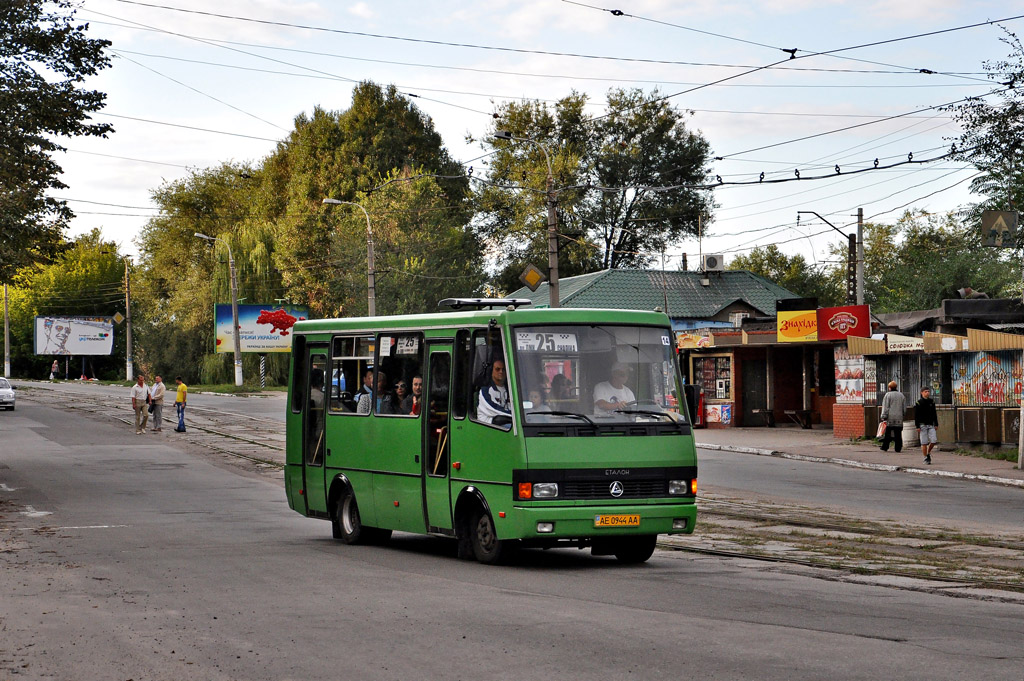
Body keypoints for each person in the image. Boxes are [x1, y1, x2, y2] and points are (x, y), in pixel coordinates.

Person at [477, 359, 511, 426]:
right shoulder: (485, 391)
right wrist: (515, 416)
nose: (501, 372)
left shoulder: (509, 389)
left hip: (505, 423)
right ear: (491, 371)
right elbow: (494, 409)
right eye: (497, 369)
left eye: (503, 369)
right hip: (488, 426)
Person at [879, 380, 906, 453]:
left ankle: (885, 446)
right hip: (899, 417)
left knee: (888, 433)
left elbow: (885, 407)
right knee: (898, 434)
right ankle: (898, 448)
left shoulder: (888, 395)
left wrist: (884, 415)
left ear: (890, 387)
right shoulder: (901, 395)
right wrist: (903, 414)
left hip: (890, 417)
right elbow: (904, 408)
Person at [915, 387, 938, 465]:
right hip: (922, 425)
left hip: (931, 424)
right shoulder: (919, 402)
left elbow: (934, 413)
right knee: (924, 442)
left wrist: (936, 423)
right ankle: (925, 457)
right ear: (922, 393)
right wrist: (917, 426)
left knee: (934, 440)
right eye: (925, 391)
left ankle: (928, 452)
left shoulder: (932, 402)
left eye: (928, 391)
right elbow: (916, 415)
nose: (927, 393)